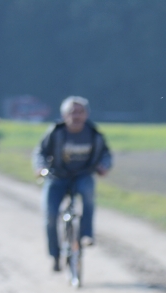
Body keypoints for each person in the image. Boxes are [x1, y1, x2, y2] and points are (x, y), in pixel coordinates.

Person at [33, 96, 112, 272]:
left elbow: (106, 154)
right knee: (50, 215)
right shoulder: (55, 132)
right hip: (57, 177)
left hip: (82, 175)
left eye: (80, 112)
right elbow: (40, 152)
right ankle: (55, 255)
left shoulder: (94, 134)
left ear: (86, 114)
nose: (76, 116)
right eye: (72, 112)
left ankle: (86, 235)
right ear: (64, 115)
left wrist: (103, 166)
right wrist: (40, 167)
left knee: (88, 195)